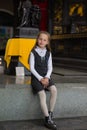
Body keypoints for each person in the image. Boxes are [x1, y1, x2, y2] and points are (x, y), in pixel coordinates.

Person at [29, 31, 57, 130]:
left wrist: (47, 77)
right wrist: (41, 79)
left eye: (44, 40)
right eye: (40, 39)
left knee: (54, 90)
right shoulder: (33, 52)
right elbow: (31, 68)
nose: (42, 41)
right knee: (42, 95)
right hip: (37, 78)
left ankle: (50, 113)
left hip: (46, 77)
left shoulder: (48, 53)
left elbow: (50, 67)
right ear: (37, 39)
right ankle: (47, 119)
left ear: (47, 42)